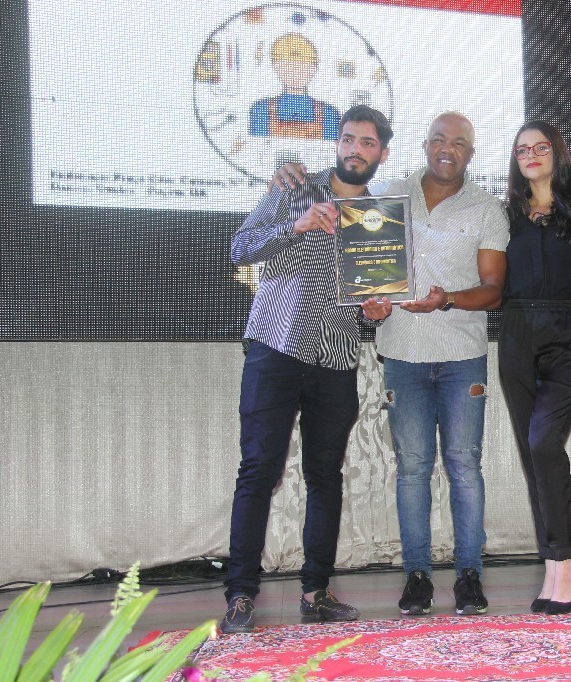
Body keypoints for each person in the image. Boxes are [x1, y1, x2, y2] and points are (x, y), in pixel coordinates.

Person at [270, 111, 509, 615]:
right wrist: (370, 306)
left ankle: (469, 575)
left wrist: (447, 299)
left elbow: (494, 291)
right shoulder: (386, 196)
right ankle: (417, 576)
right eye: (438, 139)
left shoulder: (487, 207)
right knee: (412, 469)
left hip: (463, 356)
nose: (447, 149)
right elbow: (362, 269)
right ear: (424, 145)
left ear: (471, 152)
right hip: (401, 354)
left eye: (458, 142)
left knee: (464, 466)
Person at [221, 105, 393, 633]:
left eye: (367, 143)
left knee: (325, 476)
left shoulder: (379, 219)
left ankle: (316, 592)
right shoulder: (293, 187)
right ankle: (240, 596)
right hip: (275, 348)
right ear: (336, 143)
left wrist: (376, 310)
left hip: (336, 357)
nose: (355, 150)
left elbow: (374, 298)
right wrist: (295, 225)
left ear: (382, 154)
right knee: (259, 471)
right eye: (348, 139)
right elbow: (240, 248)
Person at [499, 121, 571, 615]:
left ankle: (566, 559)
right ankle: (553, 563)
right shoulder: (504, 216)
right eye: (522, 150)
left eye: (540, 147)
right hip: (516, 335)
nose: (531, 155)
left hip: (570, 335)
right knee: (532, 454)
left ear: (557, 153)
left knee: (544, 442)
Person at [249, 33, 341, 141]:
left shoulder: (329, 114)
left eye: (303, 67)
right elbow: (257, 145)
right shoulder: (261, 110)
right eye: (287, 66)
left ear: (314, 69)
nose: (295, 72)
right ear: (276, 68)